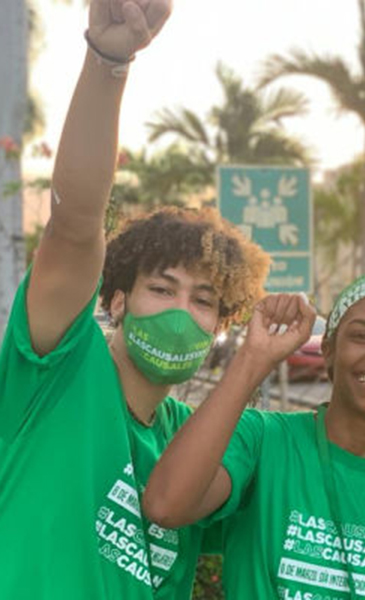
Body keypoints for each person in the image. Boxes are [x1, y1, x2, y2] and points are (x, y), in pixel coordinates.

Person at [0, 1, 276, 598]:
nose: (182, 311)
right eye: (161, 288)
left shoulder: (193, 440)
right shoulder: (59, 366)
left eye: (204, 300)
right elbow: (75, 222)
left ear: (221, 325)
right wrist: (109, 61)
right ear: (117, 301)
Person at [143, 272, 365, 599]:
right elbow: (165, 506)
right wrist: (254, 357)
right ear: (328, 350)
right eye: (361, 336)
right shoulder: (263, 440)